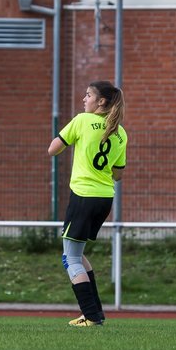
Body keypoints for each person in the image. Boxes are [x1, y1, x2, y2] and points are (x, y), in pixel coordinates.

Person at [48, 81, 127, 326]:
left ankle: (91, 316)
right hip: (104, 198)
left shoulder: (82, 120)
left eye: (88, 95)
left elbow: (53, 149)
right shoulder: (121, 132)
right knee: (78, 255)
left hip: (83, 196)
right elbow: (118, 173)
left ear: (100, 101)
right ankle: (96, 313)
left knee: (69, 259)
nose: (84, 99)